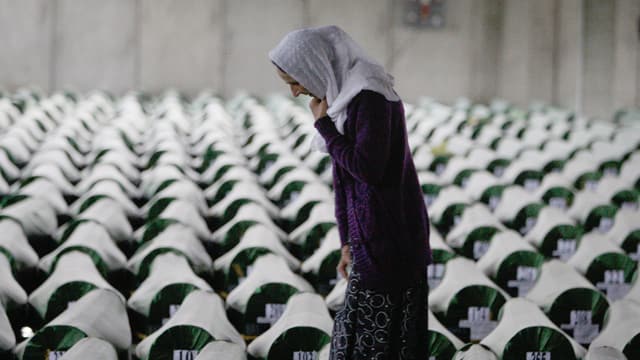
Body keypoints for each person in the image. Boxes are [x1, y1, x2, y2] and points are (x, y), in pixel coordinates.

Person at [269, 25, 432, 359]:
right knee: (357, 343)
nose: (296, 93)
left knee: (379, 347)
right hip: (369, 241)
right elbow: (344, 181)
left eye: (296, 82)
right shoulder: (345, 99)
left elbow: (367, 170)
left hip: (391, 241)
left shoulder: (369, 97)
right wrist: (347, 242)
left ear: (314, 67)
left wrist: (324, 126)